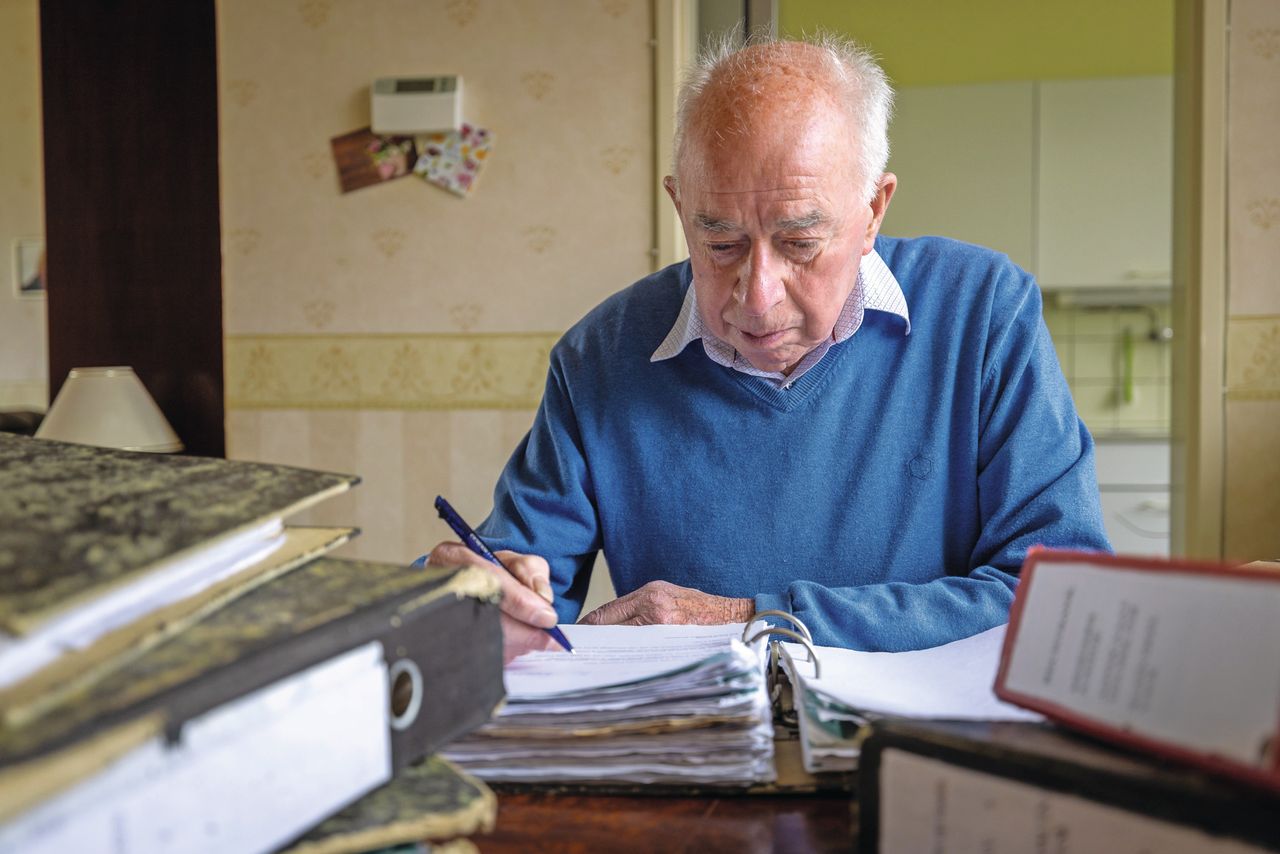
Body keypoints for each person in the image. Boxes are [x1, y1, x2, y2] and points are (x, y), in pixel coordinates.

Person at [420, 34, 1110, 662]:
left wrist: (758, 619)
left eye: (800, 243)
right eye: (719, 244)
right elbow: (518, 589)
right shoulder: (598, 357)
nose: (757, 297)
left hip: (922, 758)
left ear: (874, 211)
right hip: (689, 760)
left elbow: (1055, 596)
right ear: (678, 205)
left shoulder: (984, 312)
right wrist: (473, 598)